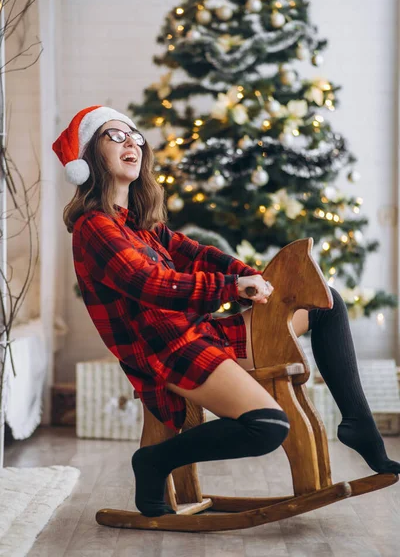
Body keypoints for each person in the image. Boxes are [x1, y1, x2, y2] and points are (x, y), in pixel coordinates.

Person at [54, 106, 400, 518]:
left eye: (135, 135)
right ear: (89, 157)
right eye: (114, 136)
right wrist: (230, 288)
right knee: (267, 427)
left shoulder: (142, 224)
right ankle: (154, 461)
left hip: (201, 332)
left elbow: (196, 251)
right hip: (168, 350)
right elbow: (151, 285)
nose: (131, 141)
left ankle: (359, 425)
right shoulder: (96, 227)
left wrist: (247, 274)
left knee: (325, 303)